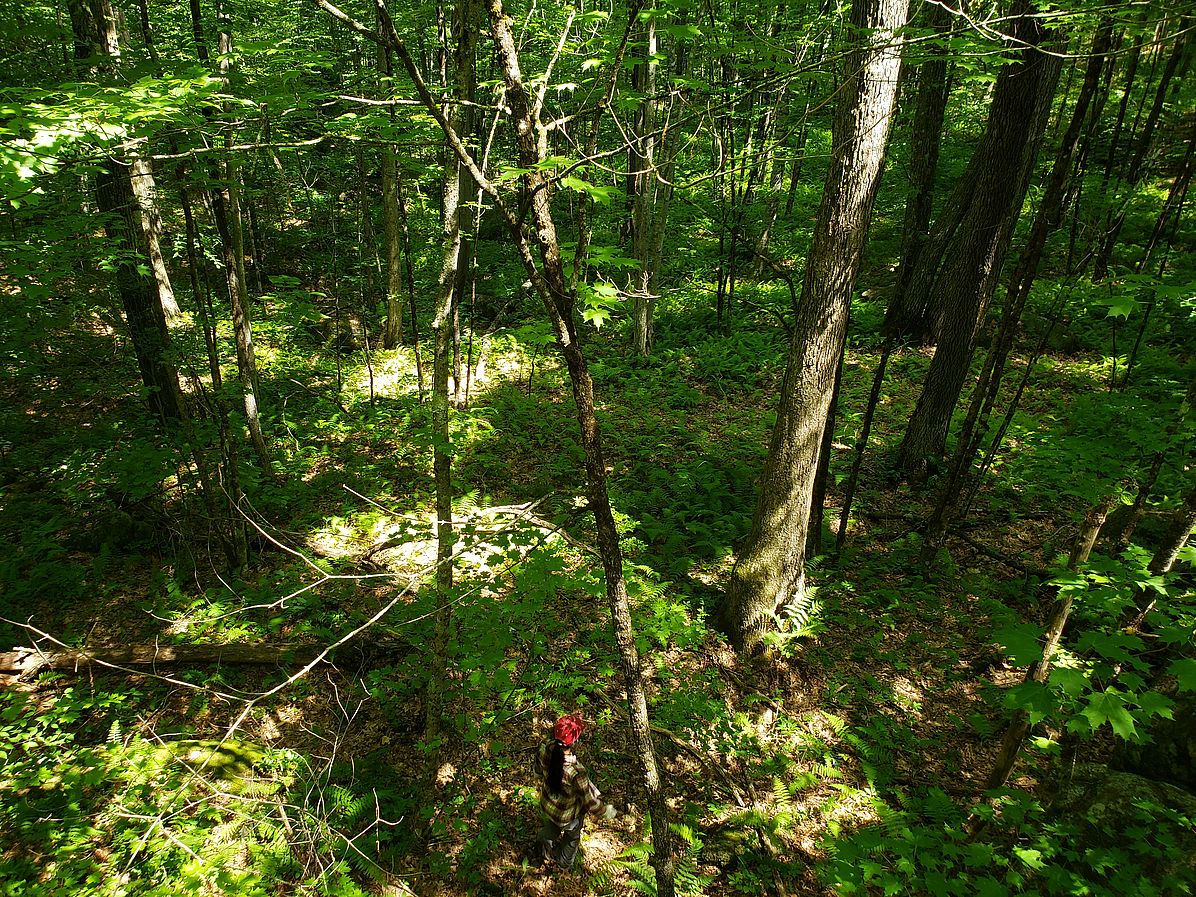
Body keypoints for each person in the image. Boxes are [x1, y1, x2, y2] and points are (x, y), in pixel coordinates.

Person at [533, 713, 617, 869]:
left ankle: (543, 846)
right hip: (567, 816)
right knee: (572, 839)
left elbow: (538, 770)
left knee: (550, 828)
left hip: (547, 804)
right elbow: (590, 802)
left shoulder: (544, 747)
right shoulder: (576, 772)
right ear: (575, 741)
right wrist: (606, 811)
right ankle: (563, 865)